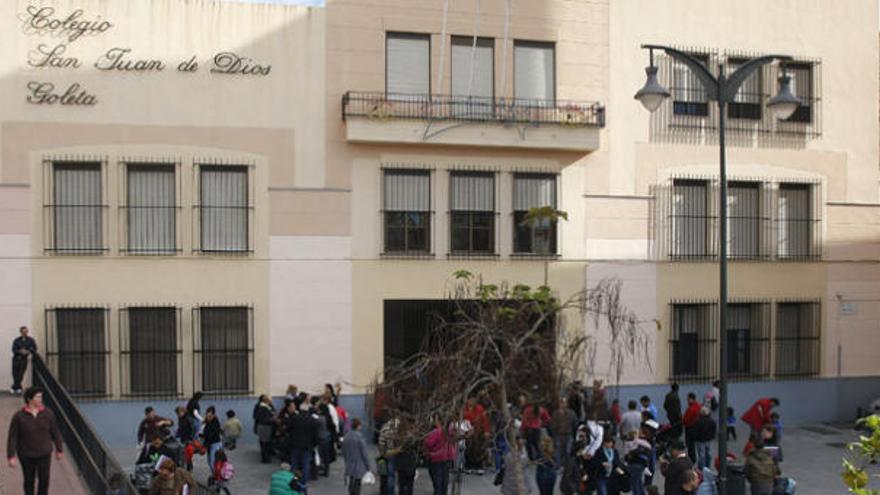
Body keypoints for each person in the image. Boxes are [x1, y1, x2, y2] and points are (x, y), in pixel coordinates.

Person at [6, 387, 63, 495]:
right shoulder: (19, 416)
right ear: (29, 399)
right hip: (26, 454)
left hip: (44, 453)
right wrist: (11, 456)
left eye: (41, 396)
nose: (40, 399)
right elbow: (12, 437)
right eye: (38, 397)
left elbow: (55, 432)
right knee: (29, 480)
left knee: (44, 480)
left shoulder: (48, 414)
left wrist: (59, 449)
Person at [287, 398, 319, 486]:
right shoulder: (312, 420)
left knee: (294, 463)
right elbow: (315, 434)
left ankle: (293, 480)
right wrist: (315, 444)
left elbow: (288, 429)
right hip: (307, 445)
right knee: (306, 463)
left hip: (295, 444)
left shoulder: (294, 418)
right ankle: (303, 481)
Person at [424, 417, 455, 495]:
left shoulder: (436, 432)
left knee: (438, 485)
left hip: (437, 460)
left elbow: (428, 443)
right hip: (444, 460)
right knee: (443, 485)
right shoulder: (449, 432)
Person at [342, 418, 371, 495]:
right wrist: (368, 466)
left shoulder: (346, 437)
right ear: (358, 426)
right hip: (359, 465)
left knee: (351, 483)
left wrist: (346, 461)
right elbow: (364, 453)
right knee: (357, 485)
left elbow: (344, 452)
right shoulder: (360, 438)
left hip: (349, 464)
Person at [622, 430, 652, 495]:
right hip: (640, 463)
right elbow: (649, 446)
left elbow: (626, 454)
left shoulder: (627, 443)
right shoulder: (639, 441)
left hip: (632, 464)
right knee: (638, 481)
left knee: (634, 483)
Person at [551, 397, 577, 468]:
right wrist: (554, 434)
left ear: (567, 404)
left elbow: (575, 424)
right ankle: (558, 465)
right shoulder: (555, 413)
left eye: (564, 402)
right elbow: (553, 425)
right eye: (561, 402)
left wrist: (573, 434)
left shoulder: (572, 413)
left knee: (567, 451)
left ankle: (567, 466)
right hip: (559, 435)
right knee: (558, 451)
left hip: (569, 434)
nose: (563, 404)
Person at [10, 326, 37, 395]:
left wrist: (28, 351)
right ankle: (18, 387)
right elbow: (13, 349)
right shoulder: (17, 340)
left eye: (26, 331)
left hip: (24, 359)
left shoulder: (31, 340)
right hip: (16, 359)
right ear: (21, 332)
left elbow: (34, 348)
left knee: (21, 374)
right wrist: (20, 351)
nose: (25, 333)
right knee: (14, 374)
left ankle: (15, 387)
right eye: (23, 332)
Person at [254, 395, 276, 463]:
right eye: (270, 400)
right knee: (265, 444)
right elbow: (265, 419)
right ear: (267, 401)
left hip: (262, 427)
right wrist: (273, 419)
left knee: (263, 443)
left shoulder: (262, 407)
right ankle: (265, 459)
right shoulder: (264, 408)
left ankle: (265, 458)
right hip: (265, 427)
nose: (271, 402)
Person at [682, 393, 702, 462]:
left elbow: (686, 420)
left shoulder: (691, 409)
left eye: (688, 399)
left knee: (690, 446)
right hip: (697, 428)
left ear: (691, 399)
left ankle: (692, 459)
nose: (687, 401)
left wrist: (683, 421)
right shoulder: (699, 406)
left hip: (690, 428)